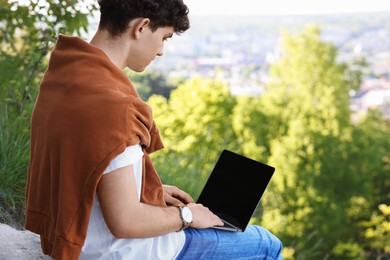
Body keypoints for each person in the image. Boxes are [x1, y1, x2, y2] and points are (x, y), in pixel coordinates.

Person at [25, 0, 283, 259]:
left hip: (71, 240)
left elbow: (85, 165)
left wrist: (149, 192)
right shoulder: (115, 107)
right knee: (267, 243)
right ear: (142, 27)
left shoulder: (65, 76)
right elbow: (125, 220)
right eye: (164, 38)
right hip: (117, 252)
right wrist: (188, 215)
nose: (161, 51)